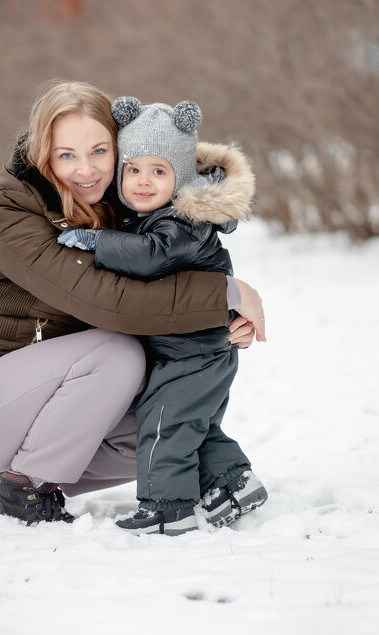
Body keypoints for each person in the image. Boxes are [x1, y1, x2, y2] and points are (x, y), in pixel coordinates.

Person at [0, 79, 265, 527]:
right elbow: (112, 304)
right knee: (116, 353)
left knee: (160, 421)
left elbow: (169, 272)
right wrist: (224, 295)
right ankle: (26, 488)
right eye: (66, 155)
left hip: (37, 393)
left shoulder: (121, 201)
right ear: (44, 155)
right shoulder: (14, 208)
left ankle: (216, 479)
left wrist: (224, 322)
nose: (86, 170)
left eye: (99, 151)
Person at [58, 96, 267, 535]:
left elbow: (151, 258)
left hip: (194, 352)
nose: (143, 182)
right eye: (133, 170)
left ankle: (167, 507)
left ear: (182, 178)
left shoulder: (183, 222)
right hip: (187, 349)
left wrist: (97, 243)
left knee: (163, 427)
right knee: (188, 425)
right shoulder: (142, 219)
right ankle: (235, 482)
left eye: (159, 171)